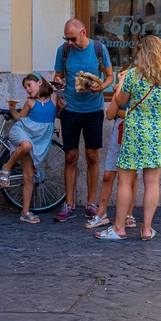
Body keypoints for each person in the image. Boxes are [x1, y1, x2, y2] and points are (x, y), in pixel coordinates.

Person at [95, 35, 161, 241]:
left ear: (143, 53)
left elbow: (121, 100)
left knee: (125, 179)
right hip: (158, 132)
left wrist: (121, 83)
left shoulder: (133, 75)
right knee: (152, 182)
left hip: (134, 131)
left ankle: (119, 228)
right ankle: (146, 229)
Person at [52, 18, 113, 222]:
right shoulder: (64, 50)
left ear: (83, 33)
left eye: (72, 38)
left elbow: (110, 76)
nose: (70, 42)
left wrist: (102, 87)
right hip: (70, 109)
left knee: (92, 157)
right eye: (67, 38)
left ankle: (91, 204)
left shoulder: (98, 48)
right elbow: (58, 75)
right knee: (70, 156)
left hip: (93, 109)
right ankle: (69, 204)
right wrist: (58, 82)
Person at [0, 73, 65, 224]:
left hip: (40, 137)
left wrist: (61, 108)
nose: (27, 89)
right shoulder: (30, 102)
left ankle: (25, 212)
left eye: (29, 85)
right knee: (26, 145)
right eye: (25, 87)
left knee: (29, 177)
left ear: (40, 82)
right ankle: (6, 167)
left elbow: (56, 115)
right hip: (23, 131)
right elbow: (20, 118)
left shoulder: (54, 97)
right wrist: (12, 110)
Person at [85, 65, 139, 230]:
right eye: (122, 75)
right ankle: (101, 214)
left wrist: (122, 114)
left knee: (133, 175)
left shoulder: (139, 91)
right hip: (119, 133)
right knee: (108, 174)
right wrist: (119, 89)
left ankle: (129, 213)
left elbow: (134, 113)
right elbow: (109, 115)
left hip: (135, 132)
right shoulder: (121, 92)